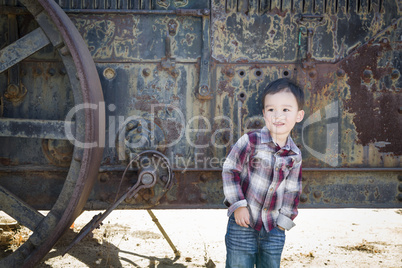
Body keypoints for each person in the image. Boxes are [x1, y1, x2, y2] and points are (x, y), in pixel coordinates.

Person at [222, 78, 305, 268]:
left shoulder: (295, 155)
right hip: (243, 223)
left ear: (298, 115)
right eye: (271, 110)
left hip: (274, 227)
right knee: (238, 264)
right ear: (264, 114)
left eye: (286, 110)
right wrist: (238, 205)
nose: (278, 116)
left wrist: (285, 221)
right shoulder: (250, 141)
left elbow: (293, 191)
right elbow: (230, 170)